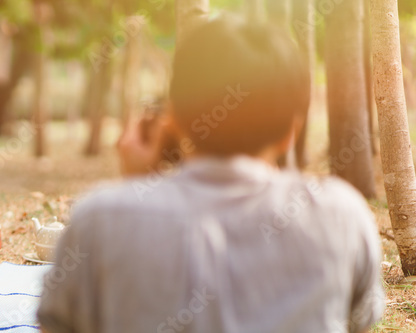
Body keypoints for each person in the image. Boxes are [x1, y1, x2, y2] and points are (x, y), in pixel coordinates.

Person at [37, 16, 384, 332]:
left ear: (172, 118)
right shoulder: (344, 216)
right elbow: (359, 322)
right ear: (289, 132)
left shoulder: (100, 219)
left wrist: (137, 190)